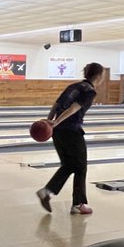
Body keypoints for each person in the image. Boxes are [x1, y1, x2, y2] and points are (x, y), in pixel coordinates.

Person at [35, 62, 102, 216]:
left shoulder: (73, 86)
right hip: (71, 131)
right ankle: (78, 205)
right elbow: (74, 108)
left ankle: (47, 192)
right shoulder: (89, 91)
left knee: (69, 165)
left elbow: (57, 104)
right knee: (81, 167)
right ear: (99, 76)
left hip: (57, 132)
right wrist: (56, 122)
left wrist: (50, 121)